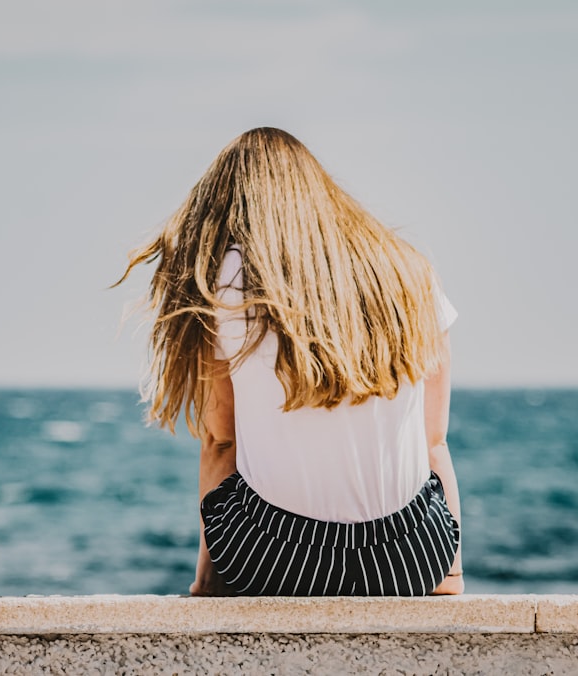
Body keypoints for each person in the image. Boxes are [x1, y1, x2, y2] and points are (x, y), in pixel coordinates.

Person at [116, 127, 463, 596]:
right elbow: (434, 442)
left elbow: (221, 443)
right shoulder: (405, 269)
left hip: (280, 560)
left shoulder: (229, 278)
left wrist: (208, 583)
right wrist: (448, 572)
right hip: (405, 558)